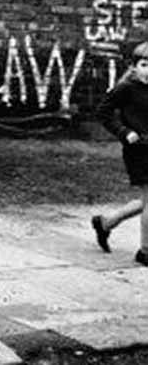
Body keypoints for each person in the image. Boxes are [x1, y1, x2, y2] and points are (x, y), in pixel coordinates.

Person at [92, 41, 148, 267]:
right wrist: (124, 132)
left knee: (147, 200)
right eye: (145, 64)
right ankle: (145, 251)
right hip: (138, 151)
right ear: (134, 67)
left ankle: (106, 223)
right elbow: (104, 112)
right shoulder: (126, 88)